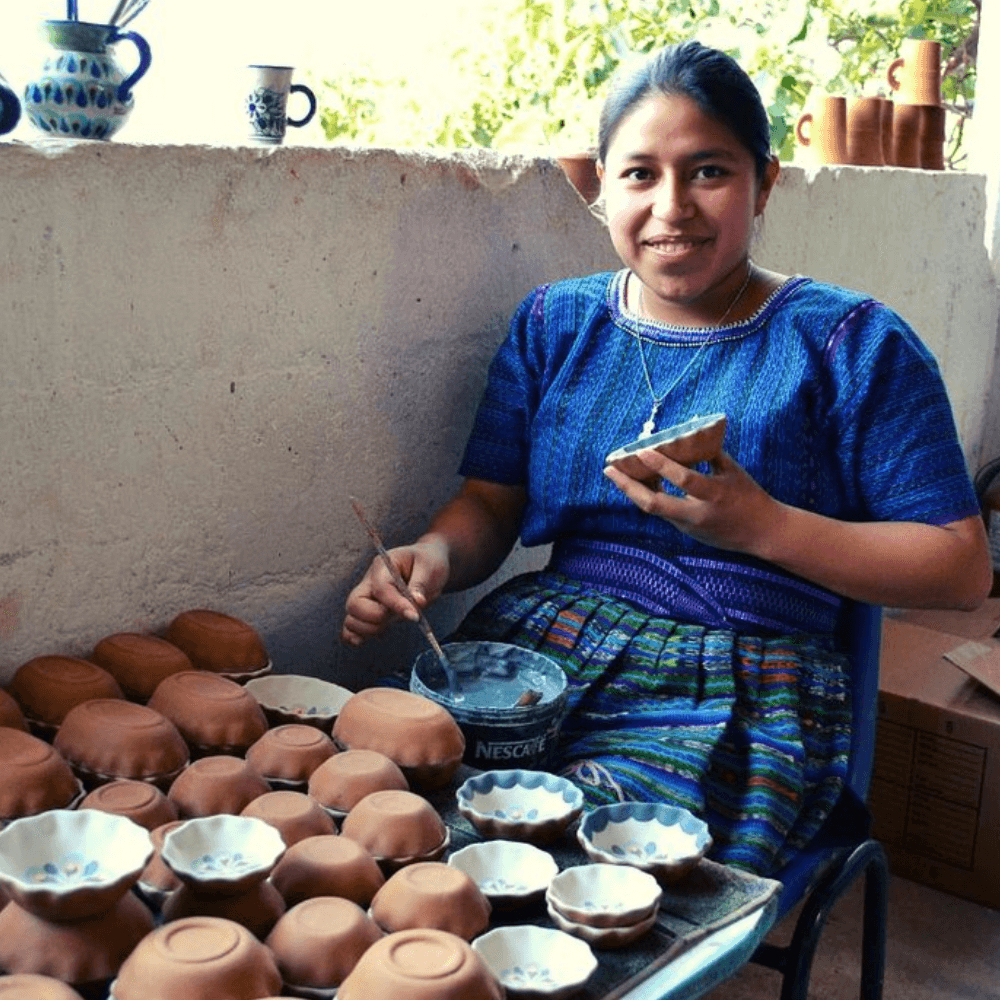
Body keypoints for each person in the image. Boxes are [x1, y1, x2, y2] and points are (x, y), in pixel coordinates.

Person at [342, 40, 991, 875]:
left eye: (709, 171)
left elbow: (961, 568)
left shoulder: (850, 344)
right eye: (641, 174)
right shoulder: (554, 325)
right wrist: (431, 555)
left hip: (741, 682)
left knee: (576, 862)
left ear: (767, 181)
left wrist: (765, 527)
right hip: (542, 654)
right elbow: (490, 505)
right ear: (599, 186)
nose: (672, 206)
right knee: (378, 801)